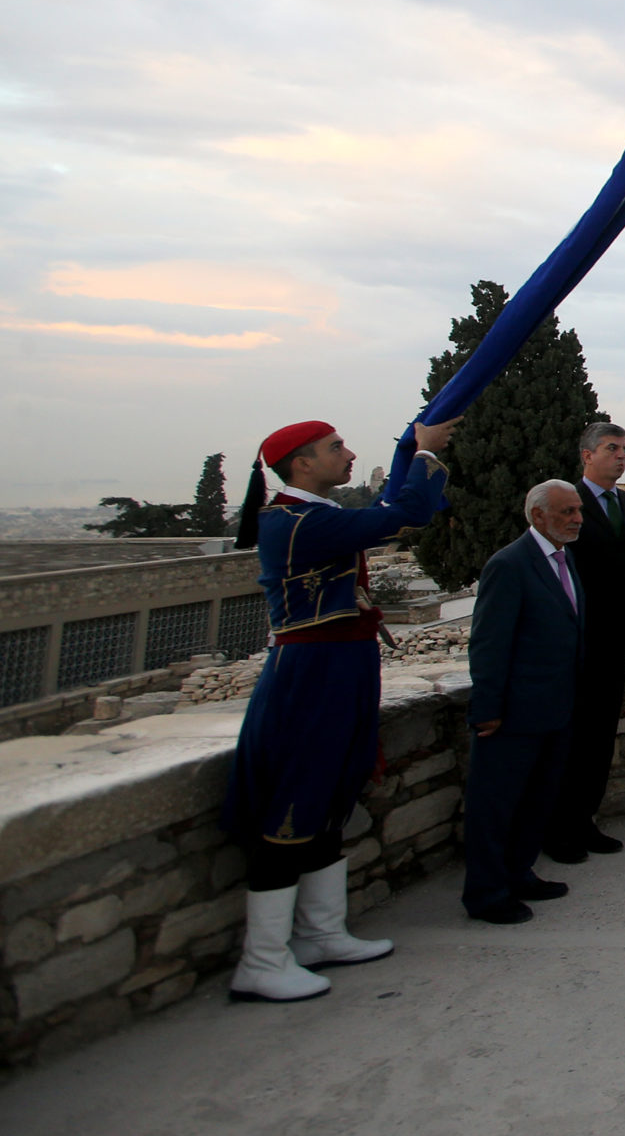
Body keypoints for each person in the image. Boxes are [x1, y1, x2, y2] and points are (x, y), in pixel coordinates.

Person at [223, 417, 453, 1003]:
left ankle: (321, 933)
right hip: (312, 675)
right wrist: (424, 454)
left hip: (340, 668)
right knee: (296, 799)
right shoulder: (298, 522)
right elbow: (402, 514)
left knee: (330, 793)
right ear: (301, 464)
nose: (349, 455)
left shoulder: (310, 517)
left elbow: (383, 508)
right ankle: (262, 960)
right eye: (335, 448)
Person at [461, 482, 586, 923]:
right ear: (538, 516)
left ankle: (519, 873)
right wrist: (487, 709)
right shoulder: (509, 564)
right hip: (514, 713)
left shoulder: (564, 559)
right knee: (496, 806)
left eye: (578, 510)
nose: (577, 518)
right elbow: (489, 642)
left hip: (555, 708)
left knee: (537, 800)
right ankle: (486, 893)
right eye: (567, 511)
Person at [549, 422, 625, 864]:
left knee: (599, 736)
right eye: (612, 448)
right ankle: (557, 828)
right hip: (573, 641)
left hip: (615, 641)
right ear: (587, 455)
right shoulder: (564, 502)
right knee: (568, 736)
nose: (622, 455)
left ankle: (585, 820)